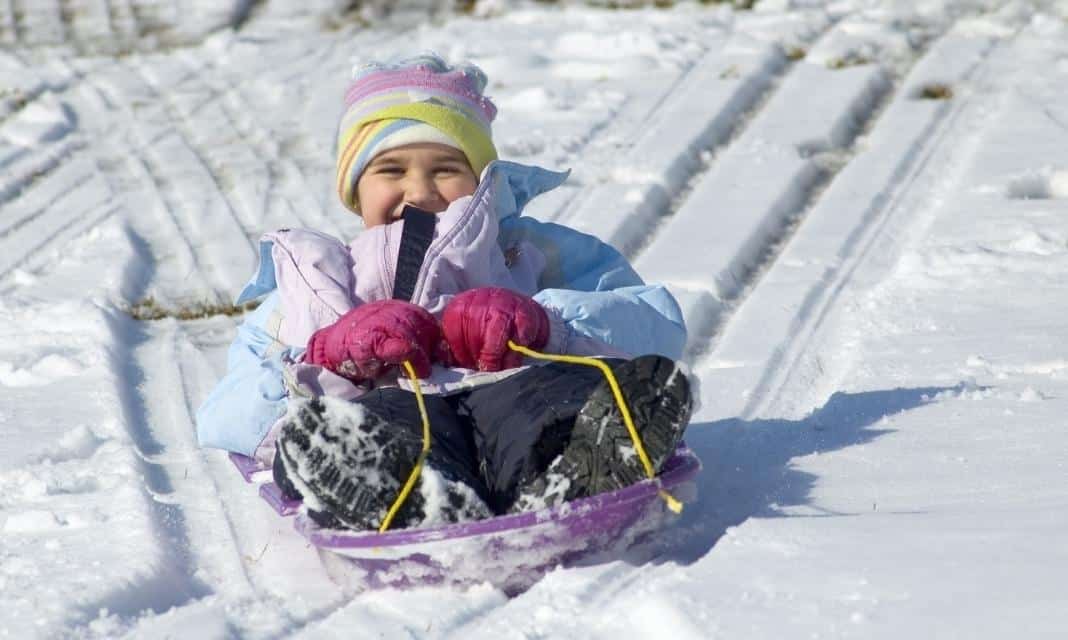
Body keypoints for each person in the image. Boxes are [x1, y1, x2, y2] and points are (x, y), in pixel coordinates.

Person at [195, 54, 694, 532]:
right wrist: (327, 359)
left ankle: (574, 467)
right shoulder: (315, 280)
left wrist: (548, 325)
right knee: (376, 426)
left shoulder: (531, 251)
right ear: (354, 189)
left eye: (445, 169)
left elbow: (654, 326)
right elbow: (229, 414)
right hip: (389, 406)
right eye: (390, 171)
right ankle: (409, 494)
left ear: (482, 181)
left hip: (514, 386)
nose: (420, 190)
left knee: (538, 404)